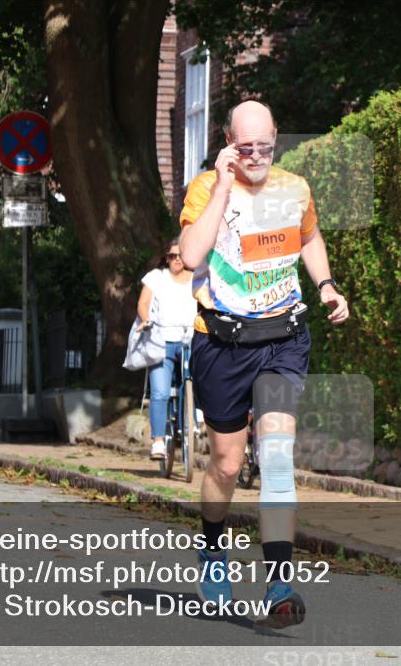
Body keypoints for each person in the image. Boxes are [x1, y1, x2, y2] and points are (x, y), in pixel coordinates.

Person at [178, 100, 349, 628]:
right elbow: (189, 256)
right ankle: (212, 549)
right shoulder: (206, 189)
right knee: (227, 465)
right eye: (244, 147)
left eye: (264, 147)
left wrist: (324, 285)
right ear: (227, 140)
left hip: (283, 338)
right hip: (223, 344)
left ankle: (279, 582)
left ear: (277, 139)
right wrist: (225, 185)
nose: (255, 156)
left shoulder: (294, 187)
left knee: (275, 454)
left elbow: (309, 237)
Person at [136, 238, 197, 461]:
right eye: (171, 256)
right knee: (160, 392)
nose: (176, 259)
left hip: (190, 339)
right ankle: (158, 441)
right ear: (166, 258)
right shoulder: (156, 277)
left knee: (192, 385)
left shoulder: (199, 277)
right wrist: (145, 319)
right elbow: (143, 304)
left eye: (180, 255)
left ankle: (189, 425)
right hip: (161, 340)